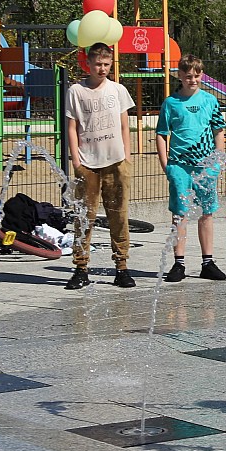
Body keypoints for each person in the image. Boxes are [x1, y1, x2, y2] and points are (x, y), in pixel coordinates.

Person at [64, 42, 136, 290]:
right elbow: (72, 127)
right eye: (98, 64)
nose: (102, 68)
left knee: (118, 215)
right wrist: (76, 160)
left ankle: (122, 266)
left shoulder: (117, 90)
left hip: (115, 161)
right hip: (88, 163)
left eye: (107, 64)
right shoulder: (76, 91)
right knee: (84, 217)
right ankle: (81, 267)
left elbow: (125, 124)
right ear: (89, 64)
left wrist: (126, 156)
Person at [157, 54, 226, 283]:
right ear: (180, 76)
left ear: (202, 75)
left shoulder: (210, 101)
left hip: (205, 164)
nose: (193, 80)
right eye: (188, 76)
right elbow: (161, 134)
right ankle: (179, 263)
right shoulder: (171, 103)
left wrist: (217, 160)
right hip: (179, 165)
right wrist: (166, 164)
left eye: (197, 76)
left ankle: (207, 261)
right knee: (180, 213)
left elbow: (218, 130)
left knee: (207, 212)